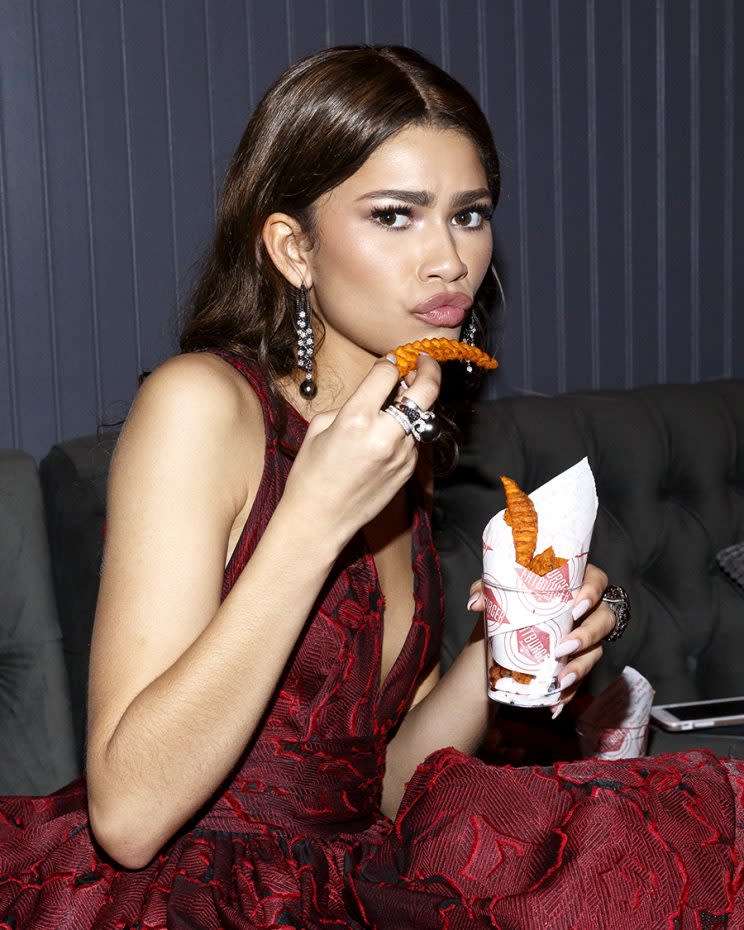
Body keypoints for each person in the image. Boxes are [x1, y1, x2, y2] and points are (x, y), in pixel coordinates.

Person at [0, 45, 740, 930]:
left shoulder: (401, 442)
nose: (448, 260)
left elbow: (381, 786)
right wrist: (311, 519)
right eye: (395, 217)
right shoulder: (201, 407)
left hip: (347, 877)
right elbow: (127, 816)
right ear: (293, 248)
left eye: (469, 216)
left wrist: (504, 643)